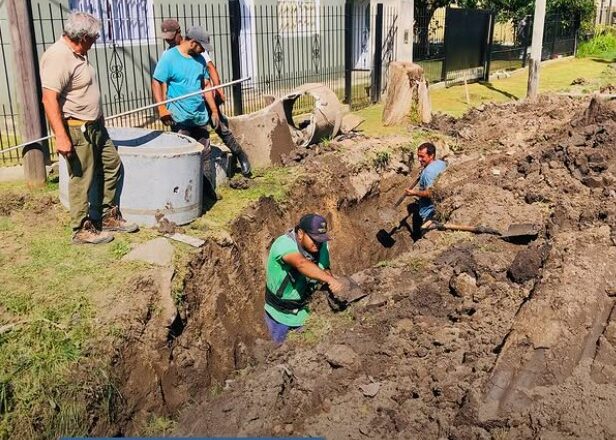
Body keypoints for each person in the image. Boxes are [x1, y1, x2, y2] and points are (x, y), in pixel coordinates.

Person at [40, 11, 137, 245]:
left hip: (95, 126)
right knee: (81, 177)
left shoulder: (79, 53)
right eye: (93, 39)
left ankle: (107, 216)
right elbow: (49, 99)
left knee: (112, 165)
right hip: (76, 128)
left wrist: (99, 116)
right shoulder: (58, 56)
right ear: (82, 36)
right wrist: (61, 138)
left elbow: (84, 90)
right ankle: (81, 229)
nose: (94, 44)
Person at [157, 19, 252, 178]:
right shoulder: (168, 55)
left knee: (221, 127)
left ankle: (240, 155)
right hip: (182, 105)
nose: (169, 40)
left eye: (171, 36)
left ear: (179, 33)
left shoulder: (198, 51)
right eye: (166, 38)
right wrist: (163, 105)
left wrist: (218, 89)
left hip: (203, 100)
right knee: (187, 142)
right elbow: (162, 82)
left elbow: (210, 69)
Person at [264, 214, 344, 344]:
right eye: (314, 239)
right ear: (300, 233)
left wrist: (332, 283)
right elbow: (301, 263)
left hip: (305, 313)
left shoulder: (321, 246)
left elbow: (324, 269)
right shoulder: (283, 244)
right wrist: (330, 280)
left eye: (321, 240)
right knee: (280, 352)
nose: (318, 244)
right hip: (279, 315)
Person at [404, 142, 447, 238]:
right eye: (418, 156)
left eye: (422, 156)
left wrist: (413, 193)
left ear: (431, 155)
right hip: (441, 208)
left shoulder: (428, 172)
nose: (419, 159)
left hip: (430, 214)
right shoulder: (441, 163)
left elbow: (430, 193)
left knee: (426, 237)